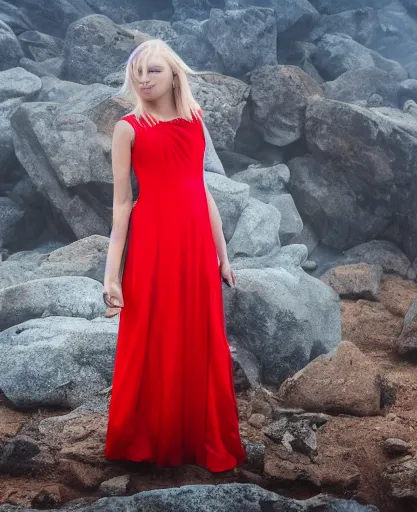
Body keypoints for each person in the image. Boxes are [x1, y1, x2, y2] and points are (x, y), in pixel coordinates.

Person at [101, 39, 247, 473]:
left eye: (154, 71)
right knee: (150, 336)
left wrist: (223, 257)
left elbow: (202, 191)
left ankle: (194, 440)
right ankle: (144, 442)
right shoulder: (128, 128)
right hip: (152, 243)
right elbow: (122, 205)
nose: (144, 79)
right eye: (138, 72)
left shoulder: (194, 122)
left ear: (174, 75)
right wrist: (111, 277)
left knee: (199, 338)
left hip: (196, 242)